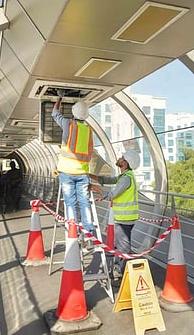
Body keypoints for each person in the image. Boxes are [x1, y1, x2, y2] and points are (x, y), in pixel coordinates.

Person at [89, 150, 140, 284]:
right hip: (125, 217)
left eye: (122, 157)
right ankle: (121, 271)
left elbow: (112, 195)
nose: (119, 158)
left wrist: (95, 189)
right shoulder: (125, 176)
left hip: (124, 218)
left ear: (125, 162)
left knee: (123, 247)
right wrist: (89, 175)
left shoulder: (126, 179)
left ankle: (121, 274)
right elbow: (107, 180)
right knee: (123, 244)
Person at [52, 93, 94, 236]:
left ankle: (72, 230)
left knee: (70, 202)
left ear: (74, 113)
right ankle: (88, 231)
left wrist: (59, 98)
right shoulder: (89, 130)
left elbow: (55, 113)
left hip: (66, 171)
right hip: (82, 173)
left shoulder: (69, 125)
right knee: (84, 202)